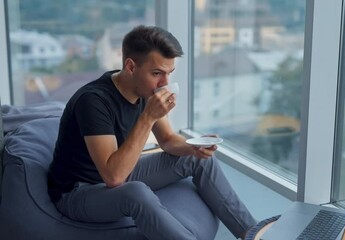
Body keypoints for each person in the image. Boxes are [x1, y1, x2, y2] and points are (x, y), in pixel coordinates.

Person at [47, 25, 257, 240]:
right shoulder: (93, 101)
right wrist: (147, 117)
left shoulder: (146, 89)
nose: (164, 84)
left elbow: (167, 140)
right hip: (78, 192)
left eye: (169, 73)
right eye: (157, 73)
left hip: (121, 170)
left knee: (199, 159)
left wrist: (194, 145)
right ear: (130, 66)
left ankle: (253, 234)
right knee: (136, 193)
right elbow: (113, 177)